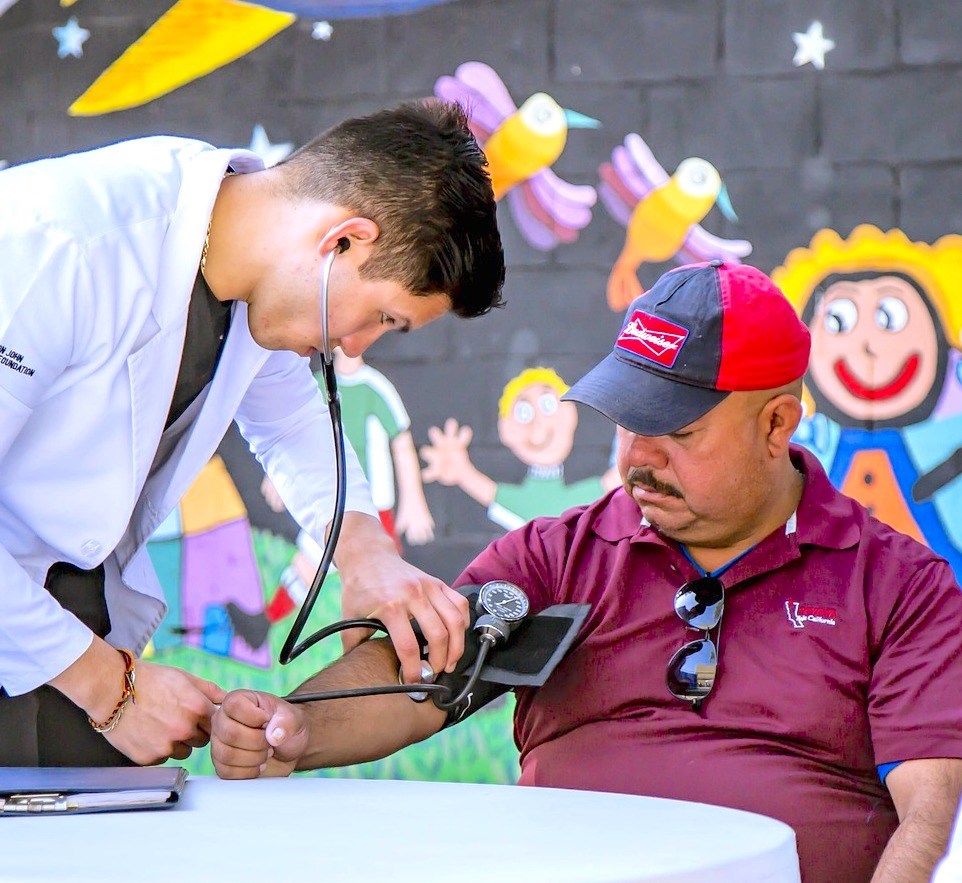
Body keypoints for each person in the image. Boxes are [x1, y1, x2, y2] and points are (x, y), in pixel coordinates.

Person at [211, 261, 962, 883]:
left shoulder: (900, 583)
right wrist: (293, 728)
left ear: (776, 424)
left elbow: (929, 814)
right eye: (627, 419)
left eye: (677, 430)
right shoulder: (556, 555)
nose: (639, 456)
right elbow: (414, 680)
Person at [0, 99, 504, 767]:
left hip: (53, 638)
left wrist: (368, 557)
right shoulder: (56, 243)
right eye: (382, 317)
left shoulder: (244, 269)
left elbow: (292, 422)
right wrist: (111, 689)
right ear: (342, 240)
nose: (356, 346)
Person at [420, 366, 618, 531]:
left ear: (570, 414)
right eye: (523, 413)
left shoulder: (586, 494)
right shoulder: (525, 501)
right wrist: (462, 472)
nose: (538, 426)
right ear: (505, 429)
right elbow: (493, 494)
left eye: (548, 404)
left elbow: (614, 481)